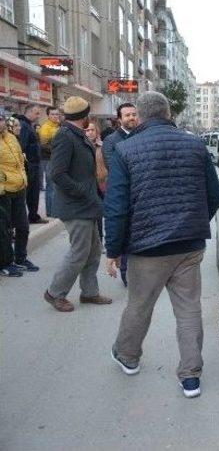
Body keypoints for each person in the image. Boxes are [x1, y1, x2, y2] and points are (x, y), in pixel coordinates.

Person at [105, 91, 219, 399]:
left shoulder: (126, 149)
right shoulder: (195, 145)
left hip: (146, 247)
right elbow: (213, 193)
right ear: (169, 113)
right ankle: (191, 376)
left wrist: (113, 250)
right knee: (188, 310)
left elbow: (116, 205)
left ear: (140, 116)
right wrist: (195, 223)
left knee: (139, 305)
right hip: (188, 244)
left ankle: (128, 357)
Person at [44, 97, 111, 312]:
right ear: (85, 116)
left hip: (86, 203)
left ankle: (89, 292)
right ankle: (55, 293)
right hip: (75, 205)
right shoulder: (65, 136)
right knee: (79, 251)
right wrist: (82, 191)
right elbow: (57, 174)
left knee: (93, 250)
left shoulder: (76, 134)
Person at [102, 103, 139, 286]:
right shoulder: (111, 141)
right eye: (127, 115)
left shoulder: (142, 135)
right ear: (119, 119)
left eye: (134, 114)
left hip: (140, 193)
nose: (131, 118)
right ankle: (126, 275)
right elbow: (111, 166)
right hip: (122, 192)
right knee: (122, 231)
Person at [0, 114, 35, 276]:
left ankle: (21, 258)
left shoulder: (11, 138)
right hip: (3, 191)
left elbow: (20, 160)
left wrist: (24, 178)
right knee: (5, 230)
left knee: (23, 226)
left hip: (19, 188)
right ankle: (5, 263)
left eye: (1, 120)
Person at [15, 104, 46, 224]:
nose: (38, 116)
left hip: (33, 164)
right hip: (29, 165)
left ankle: (33, 216)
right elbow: (21, 147)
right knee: (29, 192)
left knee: (34, 192)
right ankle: (25, 218)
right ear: (29, 112)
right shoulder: (23, 126)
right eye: (36, 113)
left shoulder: (29, 125)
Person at [38, 106, 61, 216]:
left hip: (57, 159)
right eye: (53, 114)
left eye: (57, 114)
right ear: (48, 116)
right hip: (49, 160)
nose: (55, 116)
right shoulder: (45, 128)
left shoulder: (58, 126)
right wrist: (58, 149)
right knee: (51, 185)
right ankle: (51, 212)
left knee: (56, 185)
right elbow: (43, 145)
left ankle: (55, 210)